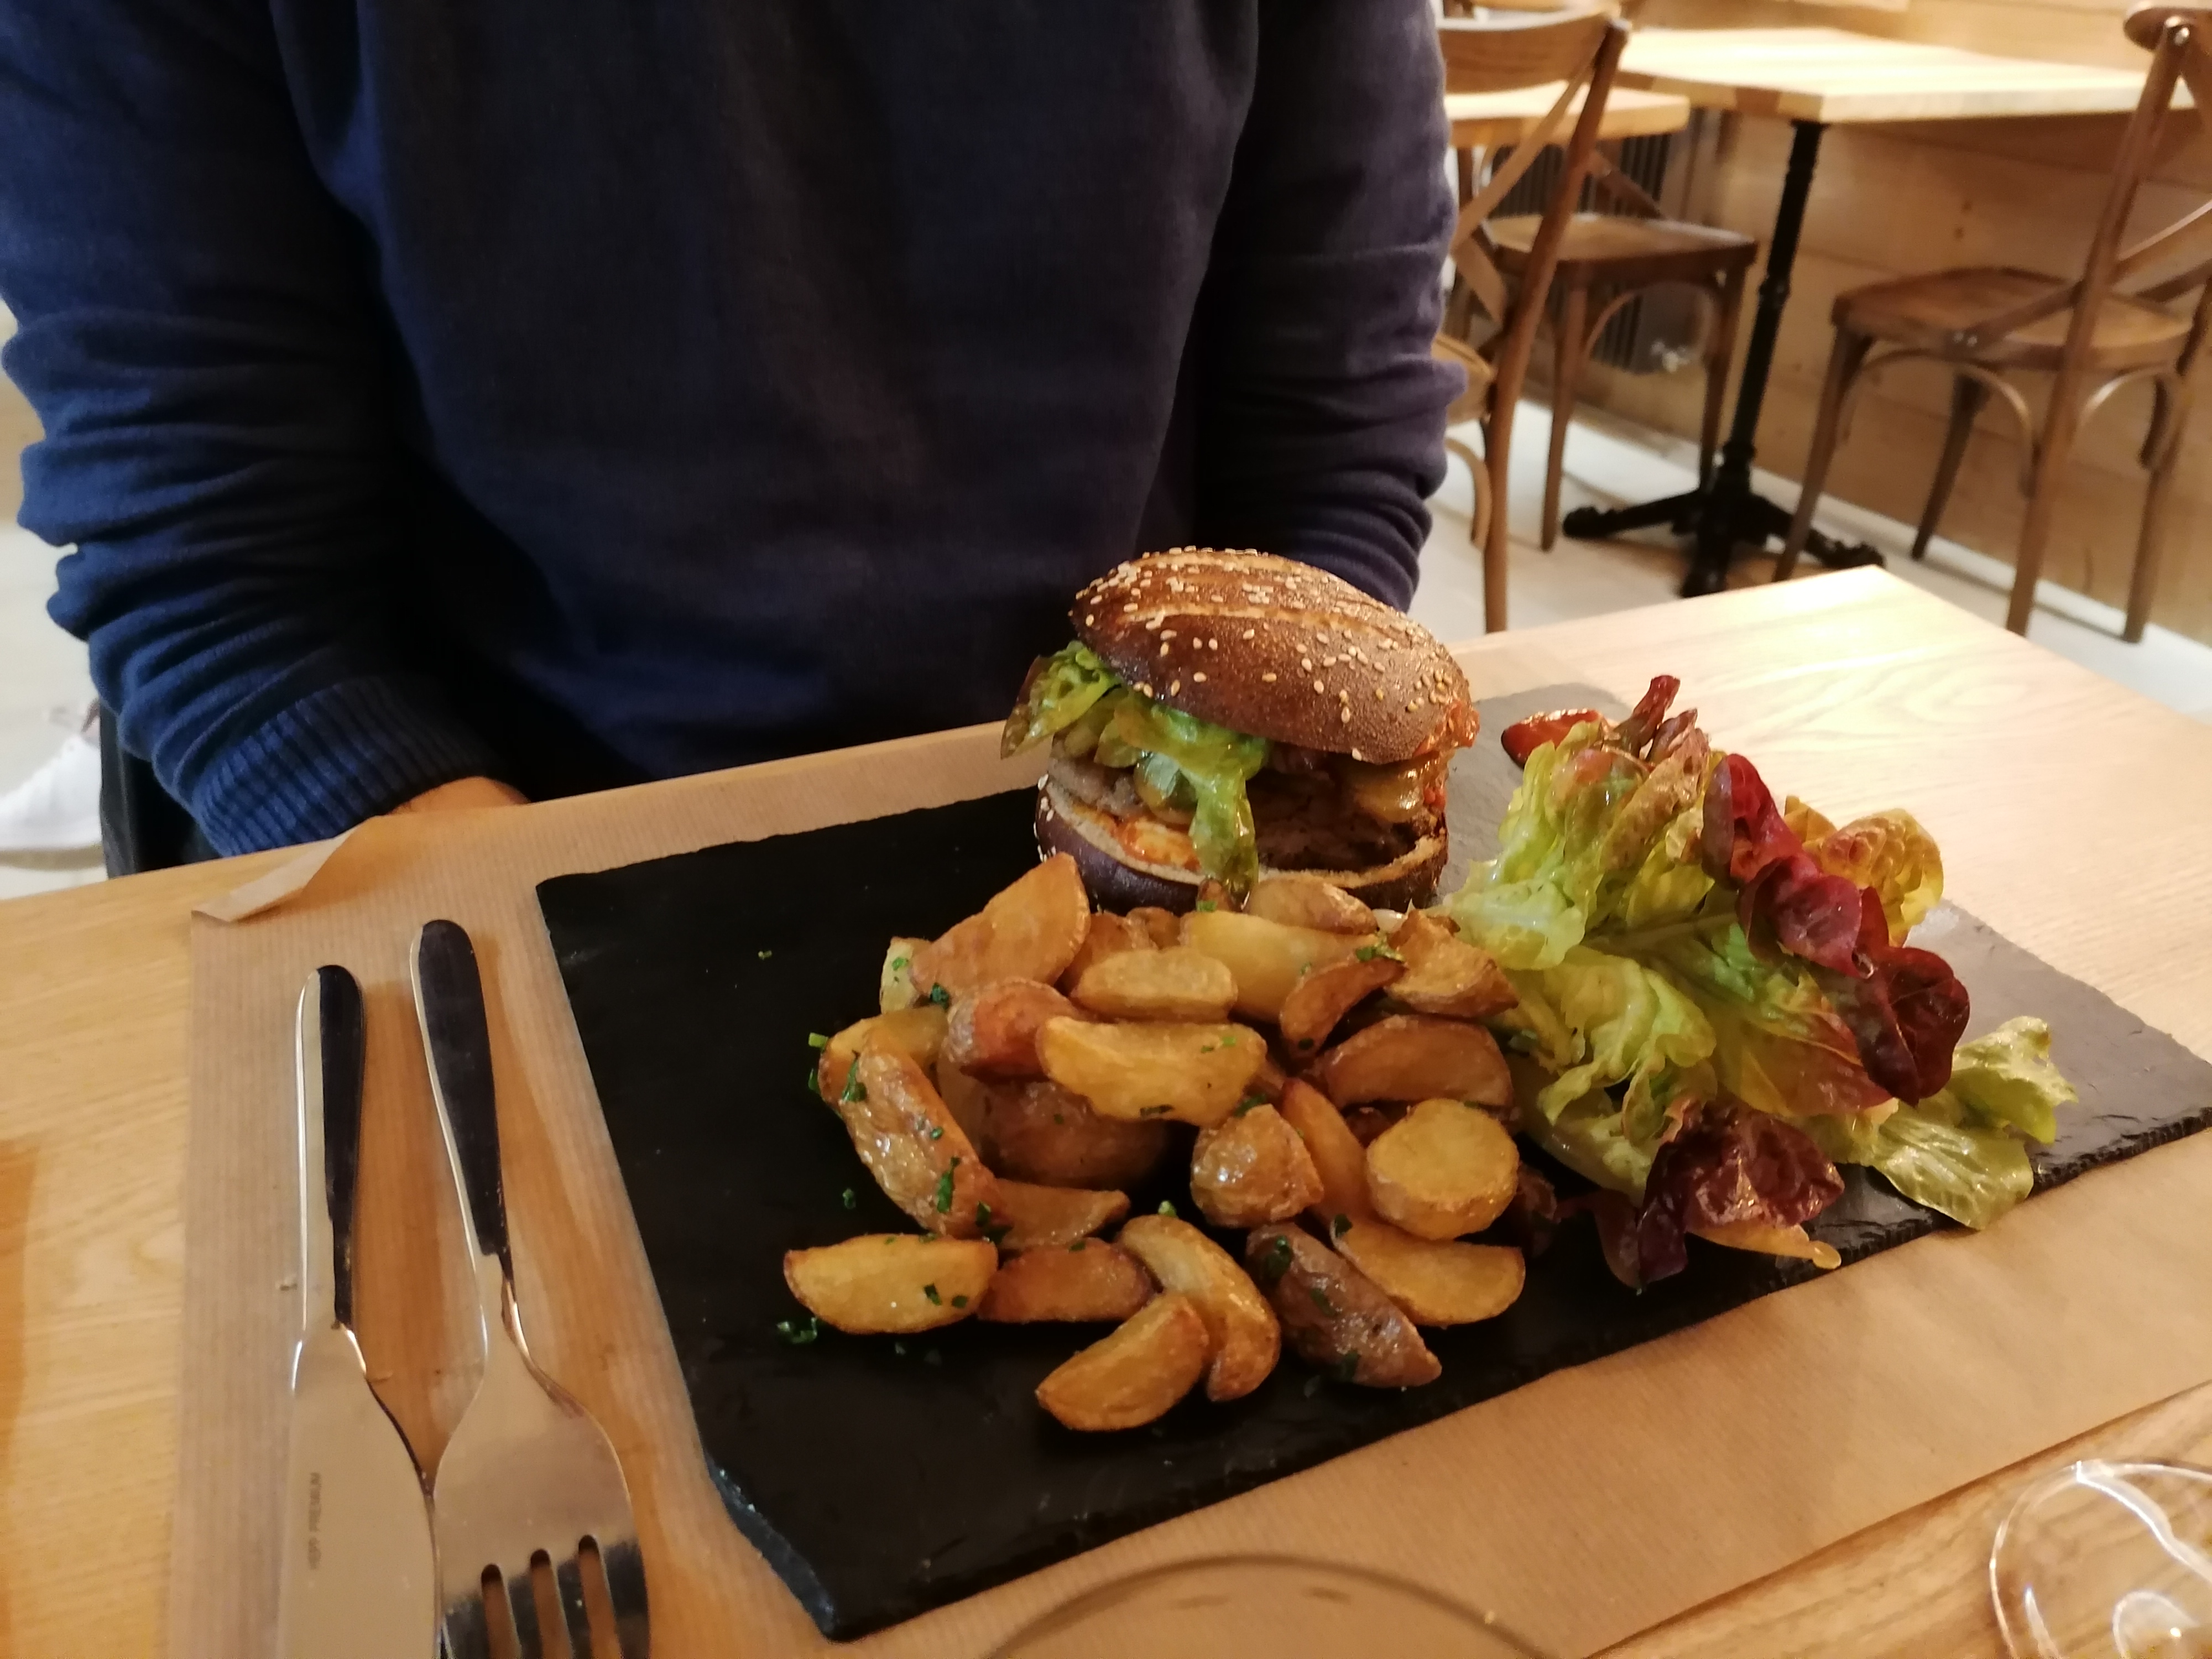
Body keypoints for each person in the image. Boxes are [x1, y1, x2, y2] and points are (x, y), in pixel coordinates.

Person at [0, 2, 1457, 871]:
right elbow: (219, 573)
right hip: (508, 830)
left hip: (1144, 825)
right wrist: (536, 939)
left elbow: (1332, 435)